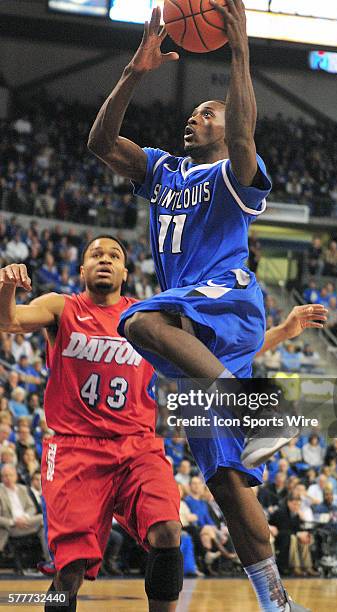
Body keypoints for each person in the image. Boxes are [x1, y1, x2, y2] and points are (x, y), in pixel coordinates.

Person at [88, 2, 327, 610]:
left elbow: (245, 133)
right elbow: (99, 143)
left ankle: (258, 411)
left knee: (136, 318)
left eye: (209, 111)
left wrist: (241, 48)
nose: (196, 117)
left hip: (224, 301)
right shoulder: (163, 171)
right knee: (224, 479)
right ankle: (277, 602)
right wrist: (135, 70)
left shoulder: (234, 173)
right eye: (194, 112)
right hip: (194, 336)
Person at [0, 240, 182, 612]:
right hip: (75, 448)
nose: (105, 260)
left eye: (115, 256)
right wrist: (6, 286)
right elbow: (10, 320)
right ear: (82, 270)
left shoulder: (144, 318)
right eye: (96, 255)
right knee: (71, 569)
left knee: (168, 531)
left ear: (125, 273)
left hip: (137, 445)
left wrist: (282, 332)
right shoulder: (61, 307)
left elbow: (213, 349)